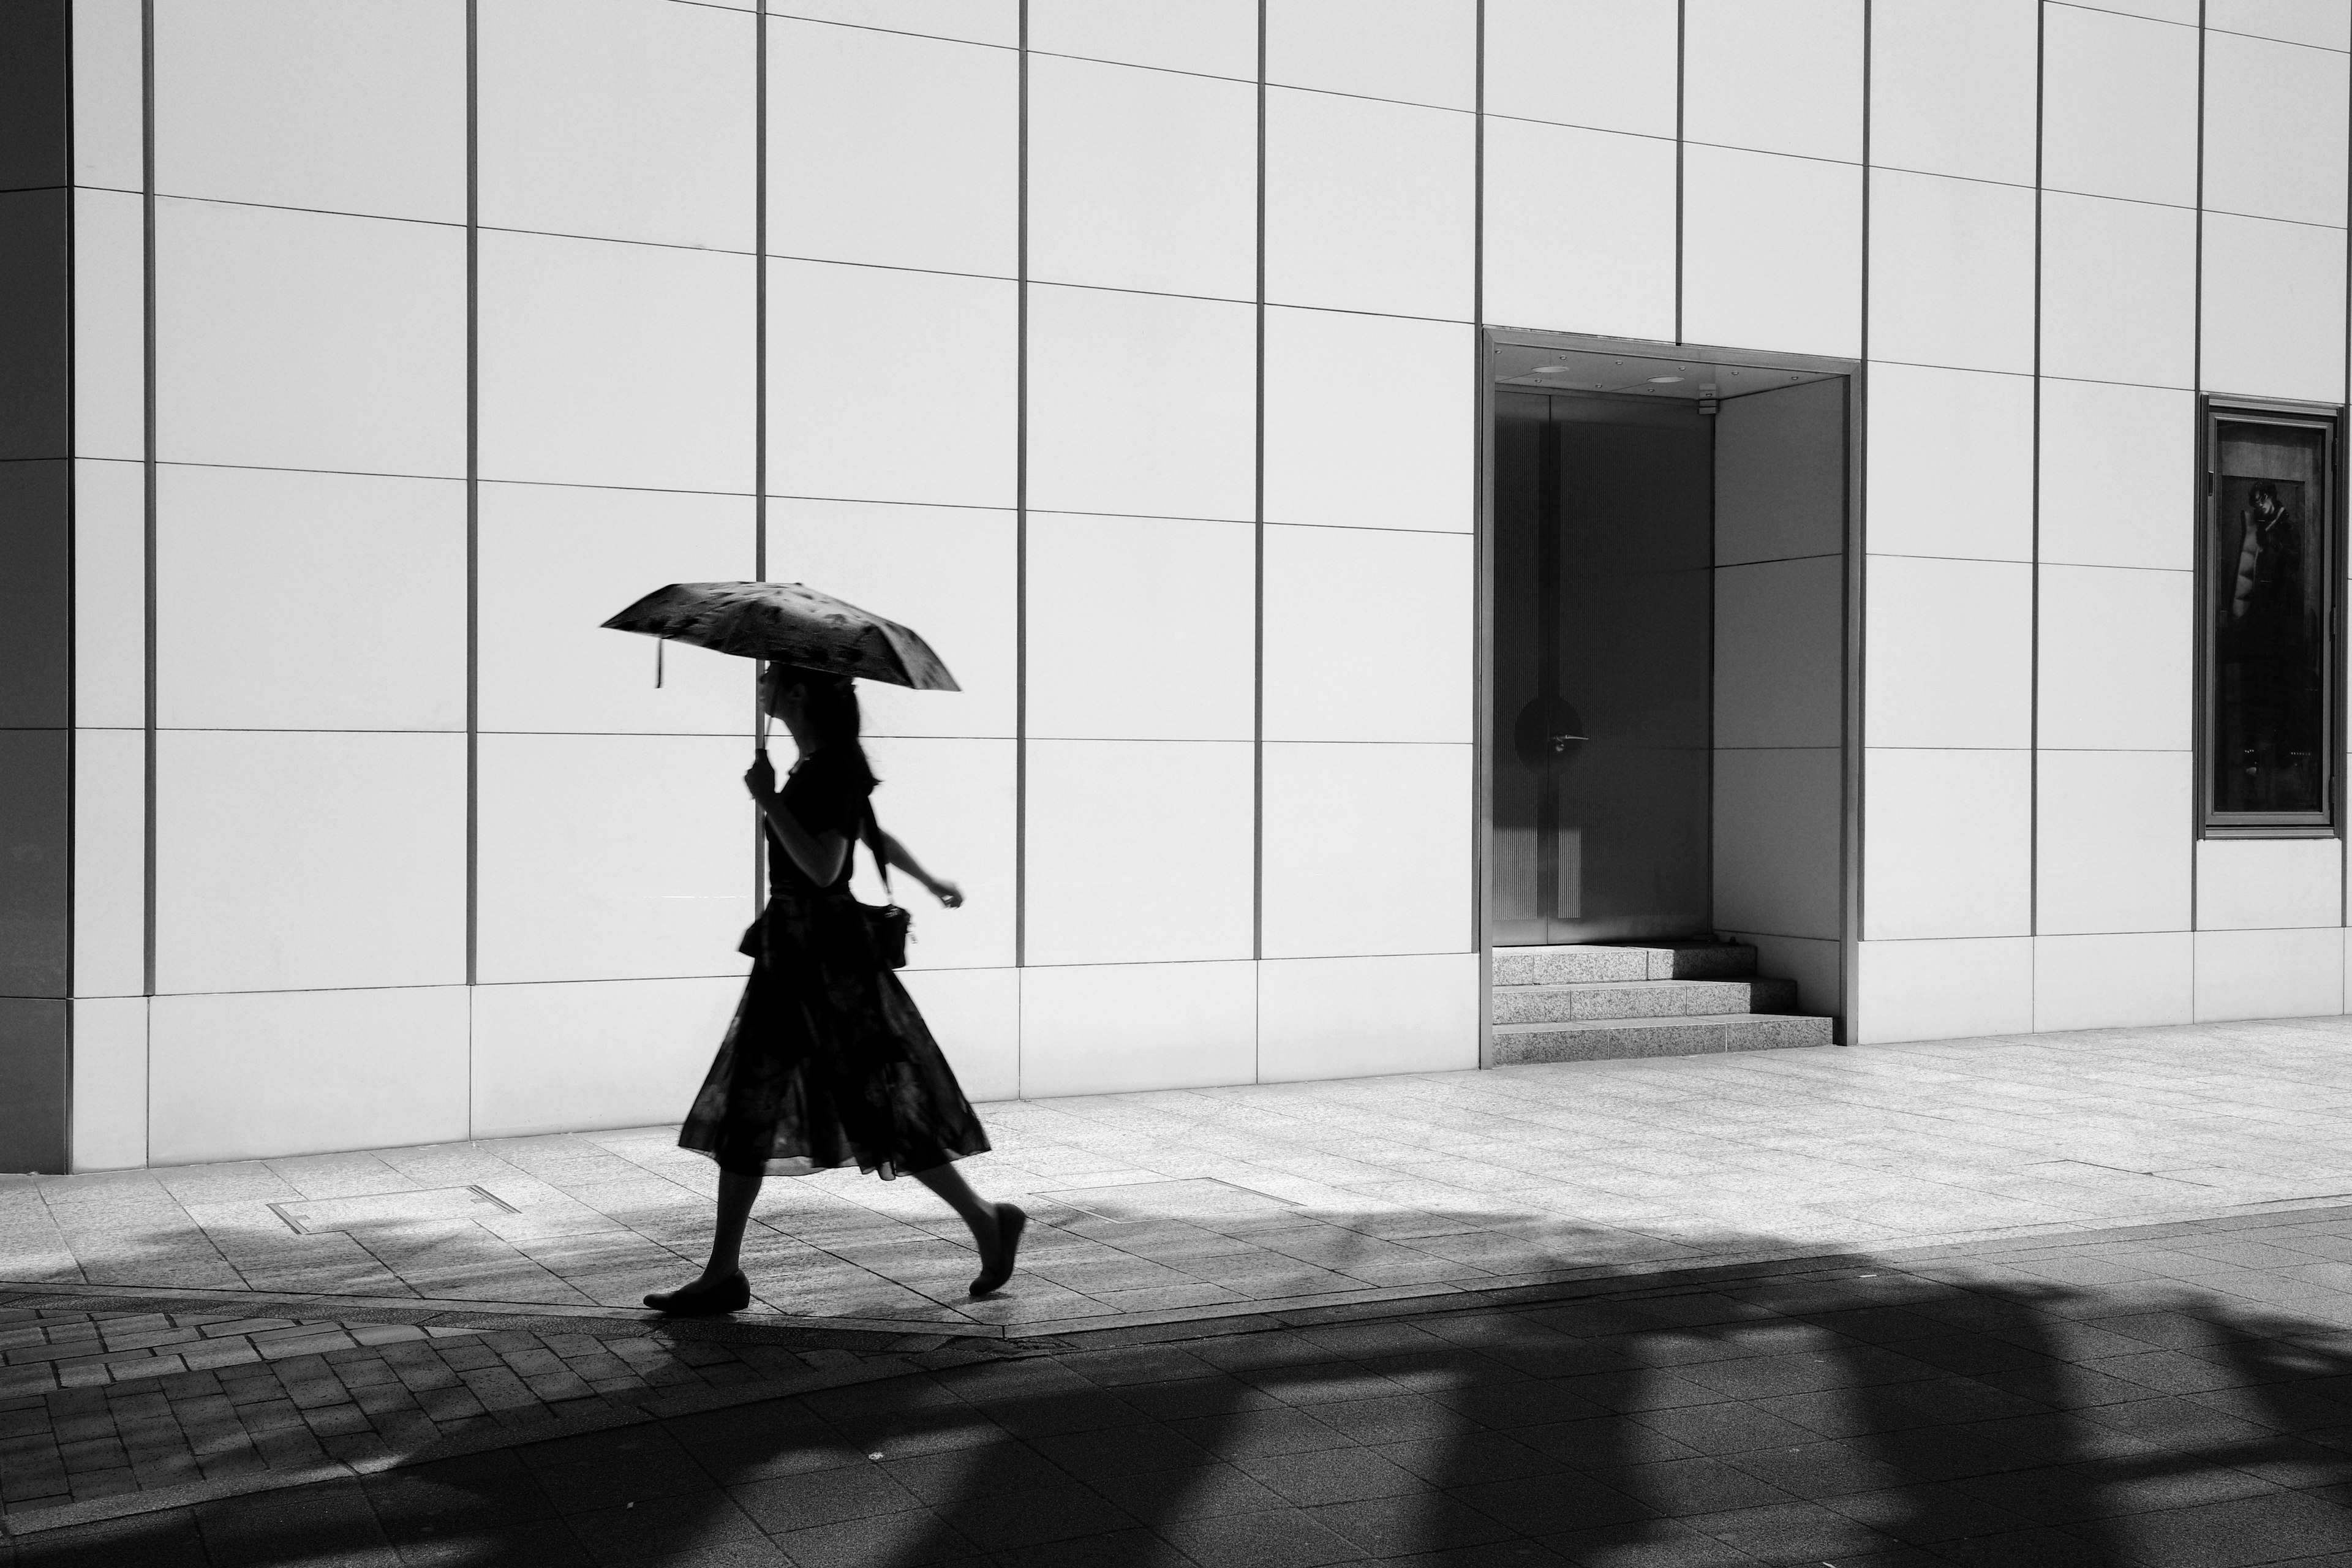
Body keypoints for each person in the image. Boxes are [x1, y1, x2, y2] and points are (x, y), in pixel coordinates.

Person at [646, 663, 1022, 1316]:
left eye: (771, 678)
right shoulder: (820, 765)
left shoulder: (831, 769)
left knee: (875, 1102)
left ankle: (987, 1220)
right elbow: (867, 835)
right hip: (793, 954)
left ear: (798, 694)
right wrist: (931, 880)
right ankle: (722, 1272)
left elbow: (824, 867)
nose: (760, 685)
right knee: (751, 1102)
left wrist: (766, 800)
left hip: (825, 961)